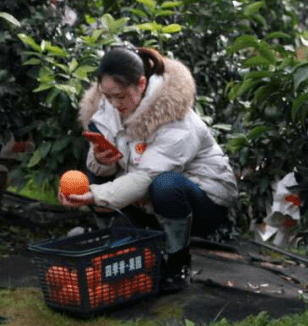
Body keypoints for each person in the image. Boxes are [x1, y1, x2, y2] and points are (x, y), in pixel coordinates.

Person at [62, 46, 238, 292]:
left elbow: (147, 177)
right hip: (147, 198)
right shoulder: (107, 109)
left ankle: (178, 263)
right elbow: (107, 172)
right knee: (95, 174)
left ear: (142, 84)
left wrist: (95, 195)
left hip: (204, 203)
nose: (113, 104)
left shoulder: (176, 120)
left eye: (120, 97)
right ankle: (128, 250)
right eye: (107, 96)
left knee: (165, 185)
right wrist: (103, 161)